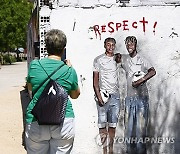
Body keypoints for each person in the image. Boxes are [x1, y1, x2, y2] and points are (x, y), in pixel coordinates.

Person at [25, 29, 80, 154]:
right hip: (64, 120)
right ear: (63, 48)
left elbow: (30, 89)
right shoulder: (69, 70)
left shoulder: (34, 66)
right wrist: (70, 69)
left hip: (36, 120)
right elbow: (75, 95)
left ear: (46, 47)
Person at [115, 36, 156, 154]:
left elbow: (153, 71)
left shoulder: (142, 59)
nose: (129, 47)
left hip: (142, 99)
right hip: (129, 99)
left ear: (136, 45)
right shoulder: (125, 58)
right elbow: (115, 58)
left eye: (131, 44)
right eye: (127, 45)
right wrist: (116, 56)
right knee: (128, 131)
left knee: (140, 132)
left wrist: (141, 80)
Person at [93, 37, 120, 154]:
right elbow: (95, 81)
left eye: (113, 45)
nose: (111, 47)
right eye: (108, 45)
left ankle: (111, 149)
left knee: (113, 124)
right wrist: (99, 97)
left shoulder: (117, 59)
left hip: (115, 96)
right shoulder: (98, 60)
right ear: (104, 45)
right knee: (102, 124)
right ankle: (104, 150)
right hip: (103, 95)